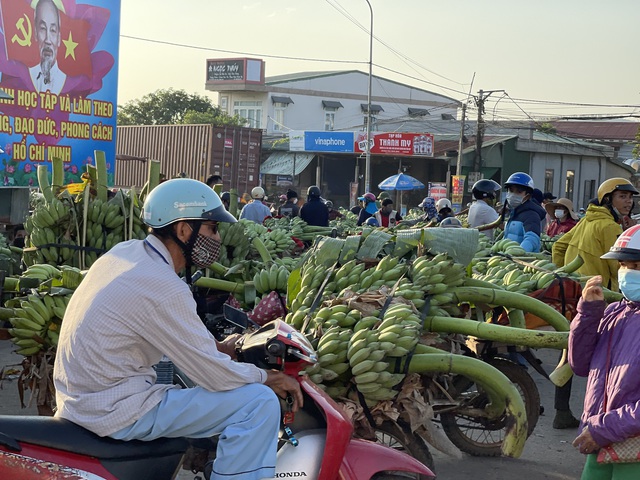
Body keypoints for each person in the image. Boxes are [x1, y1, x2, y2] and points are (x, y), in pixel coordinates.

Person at [53, 179, 302, 480]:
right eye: (212, 228)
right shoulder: (161, 284)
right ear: (184, 230)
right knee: (257, 403)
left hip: (84, 399)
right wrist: (268, 377)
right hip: (115, 409)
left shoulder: (128, 254)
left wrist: (220, 347)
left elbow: (172, 329)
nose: (218, 239)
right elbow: (213, 375)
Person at [569, 225, 640, 479]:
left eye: (636, 267)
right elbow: (580, 364)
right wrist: (588, 313)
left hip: (630, 446)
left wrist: (603, 430)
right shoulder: (614, 312)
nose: (627, 273)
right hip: (602, 440)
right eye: (623, 265)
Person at [553, 178, 639, 292]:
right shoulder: (610, 227)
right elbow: (620, 268)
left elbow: (558, 247)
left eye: (630, 197)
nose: (629, 201)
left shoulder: (586, 220)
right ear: (607, 199)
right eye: (622, 196)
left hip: (574, 290)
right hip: (597, 293)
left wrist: (562, 277)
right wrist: (629, 236)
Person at [503, 172, 546, 253]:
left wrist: (517, 253)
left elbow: (532, 239)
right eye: (511, 190)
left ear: (527, 196)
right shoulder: (514, 213)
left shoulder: (531, 215)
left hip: (523, 261)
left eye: (519, 192)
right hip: (509, 260)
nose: (513, 194)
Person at [29, 0, 66, 95]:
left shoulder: (66, 82)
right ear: (36, 33)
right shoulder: (28, 76)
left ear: (59, 38)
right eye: (43, 28)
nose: (48, 40)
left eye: (53, 30)